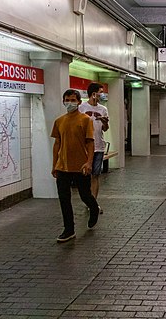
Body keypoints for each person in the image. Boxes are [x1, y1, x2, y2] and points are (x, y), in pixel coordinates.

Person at [51, 89, 100, 243]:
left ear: (79, 102)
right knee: (64, 199)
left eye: (73, 100)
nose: (70, 103)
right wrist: (54, 165)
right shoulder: (59, 121)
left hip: (81, 166)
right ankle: (69, 229)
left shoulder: (85, 120)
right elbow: (57, 143)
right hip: (62, 166)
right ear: (63, 101)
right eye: (67, 100)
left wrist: (89, 162)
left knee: (85, 195)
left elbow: (90, 142)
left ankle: (94, 208)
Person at [79, 82, 109, 214]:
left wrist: (104, 122)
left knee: (95, 175)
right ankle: (88, 200)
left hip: (99, 146)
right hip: (84, 147)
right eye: (100, 92)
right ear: (93, 94)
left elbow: (106, 129)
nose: (102, 95)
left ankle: (93, 203)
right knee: (85, 175)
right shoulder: (81, 108)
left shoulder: (103, 109)